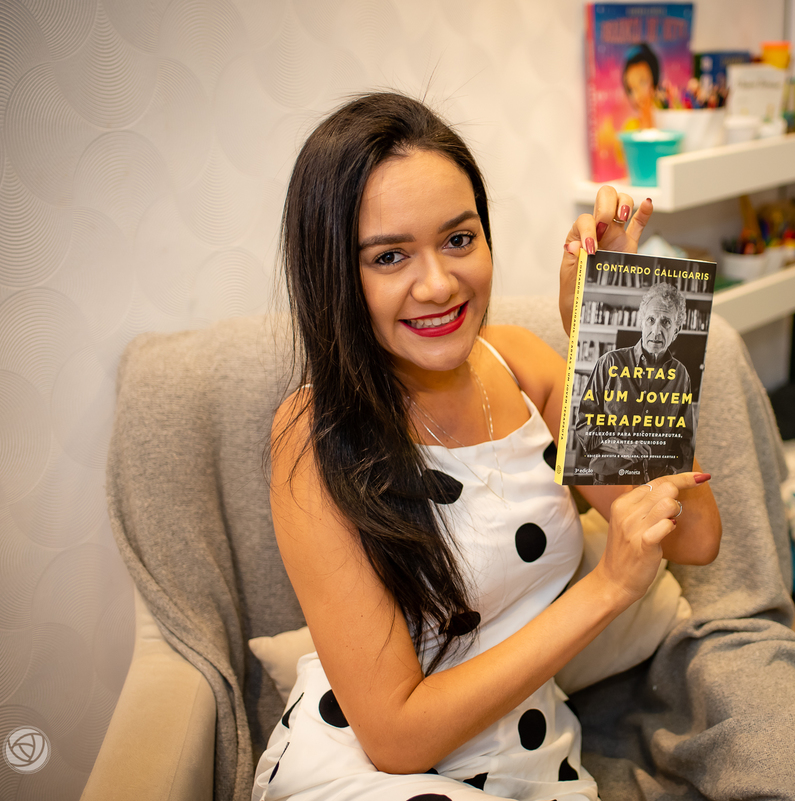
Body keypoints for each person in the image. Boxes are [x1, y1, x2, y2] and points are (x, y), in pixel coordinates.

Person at [253, 92, 721, 801]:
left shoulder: (521, 364)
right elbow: (396, 738)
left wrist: (610, 326)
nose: (438, 284)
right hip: (369, 773)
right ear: (336, 275)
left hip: (531, 762)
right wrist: (607, 589)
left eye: (459, 239)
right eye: (389, 256)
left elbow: (695, 536)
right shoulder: (312, 431)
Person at [573, 281, 694, 484]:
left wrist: (671, 474)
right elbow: (584, 426)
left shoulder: (681, 375)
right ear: (641, 322)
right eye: (651, 320)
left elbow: (685, 438)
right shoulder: (609, 363)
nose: (656, 330)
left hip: (655, 484)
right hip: (608, 482)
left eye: (666, 322)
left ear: (676, 330)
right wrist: (621, 446)